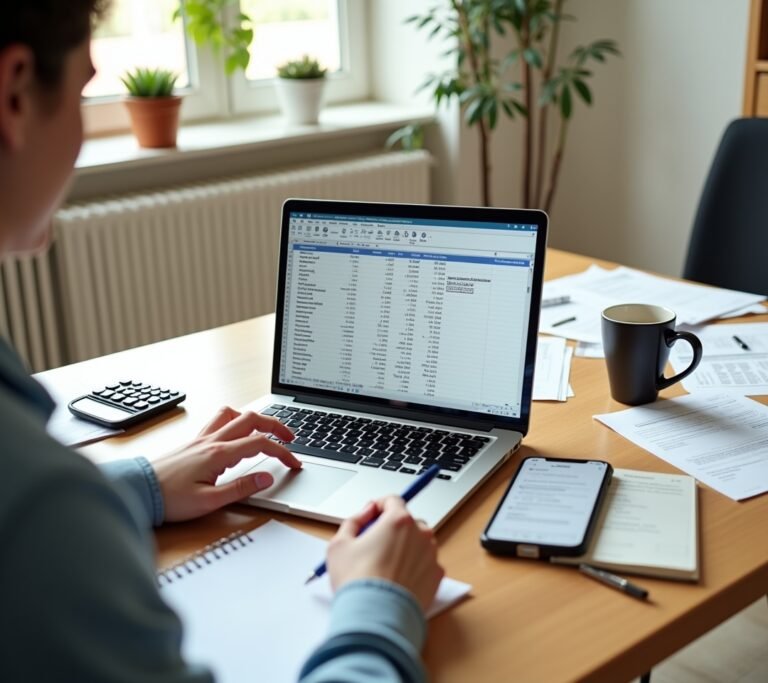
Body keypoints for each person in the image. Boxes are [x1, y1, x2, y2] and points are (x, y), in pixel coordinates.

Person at [0, 2, 444, 681]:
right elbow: (31, 526)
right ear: (15, 94)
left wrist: (141, 485)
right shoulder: (40, 509)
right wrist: (379, 604)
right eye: (88, 92)